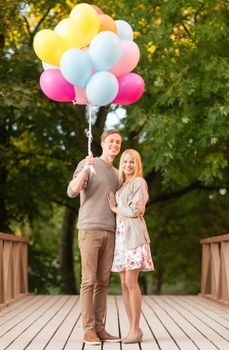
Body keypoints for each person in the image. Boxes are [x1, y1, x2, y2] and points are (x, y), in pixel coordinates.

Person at [67, 129, 122, 346]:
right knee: (88, 281)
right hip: (89, 229)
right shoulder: (89, 163)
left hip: (110, 231)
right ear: (102, 143)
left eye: (118, 142)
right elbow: (72, 191)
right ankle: (88, 330)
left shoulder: (118, 173)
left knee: (103, 283)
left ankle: (100, 328)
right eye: (111, 141)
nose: (115, 145)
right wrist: (85, 170)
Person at [107, 149, 154, 344]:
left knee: (130, 283)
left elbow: (135, 211)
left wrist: (115, 209)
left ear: (137, 164)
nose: (127, 165)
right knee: (123, 285)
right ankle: (132, 328)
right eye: (125, 162)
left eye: (131, 162)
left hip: (133, 237)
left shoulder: (139, 182)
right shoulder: (122, 184)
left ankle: (135, 329)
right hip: (120, 239)